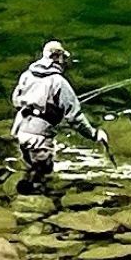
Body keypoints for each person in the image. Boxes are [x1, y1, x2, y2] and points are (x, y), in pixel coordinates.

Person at [10, 40, 108, 191]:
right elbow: (75, 118)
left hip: (20, 132)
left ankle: (22, 197)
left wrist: (41, 107)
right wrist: (94, 134)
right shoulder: (59, 82)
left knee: (31, 171)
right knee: (43, 177)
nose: (65, 62)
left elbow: (16, 100)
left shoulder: (26, 75)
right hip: (39, 138)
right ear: (57, 57)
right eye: (63, 58)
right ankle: (33, 207)